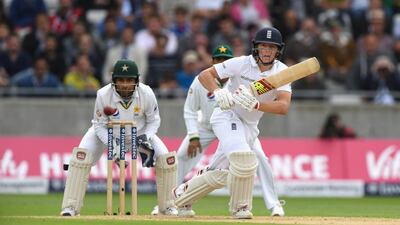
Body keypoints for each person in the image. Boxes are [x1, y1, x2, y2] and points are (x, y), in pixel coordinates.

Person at [173, 27, 291, 219]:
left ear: (278, 50)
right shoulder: (241, 63)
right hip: (226, 115)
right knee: (244, 159)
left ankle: (182, 195)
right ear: (256, 48)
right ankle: (240, 208)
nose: (267, 51)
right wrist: (218, 92)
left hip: (250, 126)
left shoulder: (282, 72)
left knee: (219, 172)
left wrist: (257, 104)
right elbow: (205, 75)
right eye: (263, 46)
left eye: (272, 47)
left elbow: (283, 106)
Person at [60, 59, 178, 216]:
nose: (124, 84)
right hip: (109, 133)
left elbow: (154, 121)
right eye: (121, 80)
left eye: (129, 80)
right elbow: (99, 125)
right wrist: (112, 144)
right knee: (80, 158)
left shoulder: (147, 93)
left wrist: (144, 138)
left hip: (139, 133)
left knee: (166, 160)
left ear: (136, 80)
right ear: (114, 80)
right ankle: (70, 207)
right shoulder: (103, 94)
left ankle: (167, 207)